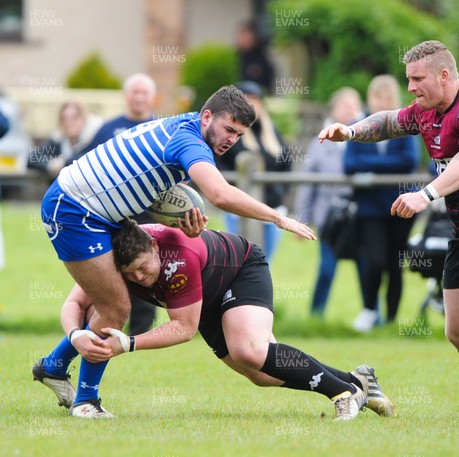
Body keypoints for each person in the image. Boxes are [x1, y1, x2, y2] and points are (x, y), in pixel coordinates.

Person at [32, 85, 315, 418]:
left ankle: (53, 366)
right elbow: (220, 195)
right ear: (207, 116)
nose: (231, 140)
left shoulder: (183, 127)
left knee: (111, 304)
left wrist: (183, 224)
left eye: (238, 135)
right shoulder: (188, 140)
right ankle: (85, 401)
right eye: (228, 129)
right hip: (74, 210)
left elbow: (141, 186)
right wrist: (279, 217)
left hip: (98, 211)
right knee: (115, 306)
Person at [319, 40, 459, 425]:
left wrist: (426, 195)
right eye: (408, 78)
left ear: (444, 76)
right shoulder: (427, 111)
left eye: (416, 78)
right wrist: (351, 130)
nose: (410, 87)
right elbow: (390, 121)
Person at [34, 217, 395, 421]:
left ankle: (343, 393)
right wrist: (75, 335)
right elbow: (76, 302)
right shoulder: (114, 261)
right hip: (199, 299)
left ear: (155, 248)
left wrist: (128, 343)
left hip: (239, 271)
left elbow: (184, 329)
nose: (141, 279)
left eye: (145, 269)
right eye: (132, 275)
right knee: (261, 375)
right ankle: (360, 380)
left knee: (250, 350)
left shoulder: (177, 255)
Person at [84, 73, 158, 335]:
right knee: (109, 275)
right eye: (134, 92)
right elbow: (86, 163)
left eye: (144, 92)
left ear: (152, 97)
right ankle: (101, 328)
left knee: (144, 275)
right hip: (112, 219)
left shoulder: (161, 128)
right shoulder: (108, 129)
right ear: (127, 96)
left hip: (149, 219)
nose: (139, 97)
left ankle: (141, 336)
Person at [344, 75, 420, 332]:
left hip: (401, 206)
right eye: (378, 98)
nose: (382, 103)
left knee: (395, 264)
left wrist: (371, 172)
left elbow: (409, 160)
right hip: (369, 207)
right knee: (374, 260)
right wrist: (384, 169)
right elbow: (350, 164)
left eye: (388, 99)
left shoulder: (405, 125)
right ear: (370, 98)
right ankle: (369, 310)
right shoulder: (356, 125)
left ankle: (391, 320)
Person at [294, 87, 364, 316]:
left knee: (367, 269)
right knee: (327, 269)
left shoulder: (367, 137)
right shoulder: (321, 141)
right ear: (333, 110)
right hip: (329, 218)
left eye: (354, 106)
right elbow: (308, 182)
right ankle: (316, 315)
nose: (350, 111)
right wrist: (302, 219)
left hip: (360, 216)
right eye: (345, 106)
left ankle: (374, 317)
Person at [215, 81, 291, 262]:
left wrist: (279, 190)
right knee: (239, 260)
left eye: (256, 100)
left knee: (265, 263)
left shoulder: (273, 133)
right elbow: (219, 164)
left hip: (272, 206)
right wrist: (232, 188)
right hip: (239, 208)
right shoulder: (231, 133)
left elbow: (286, 165)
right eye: (247, 100)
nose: (252, 105)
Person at [27, 101, 102, 180]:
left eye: (74, 117)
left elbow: (87, 160)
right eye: (64, 118)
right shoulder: (58, 139)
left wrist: (63, 164)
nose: (69, 122)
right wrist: (51, 164)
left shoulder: (92, 140)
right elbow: (33, 157)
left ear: (83, 119)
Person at [235, 21, 275, 94]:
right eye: (241, 35)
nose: (242, 38)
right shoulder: (235, 57)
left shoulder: (262, 60)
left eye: (245, 34)